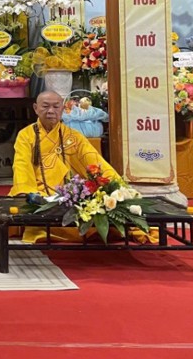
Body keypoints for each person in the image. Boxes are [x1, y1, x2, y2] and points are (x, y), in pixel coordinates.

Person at [9, 90, 126, 244]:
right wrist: (27, 192)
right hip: (39, 194)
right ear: (36, 108)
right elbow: (21, 165)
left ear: (63, 109)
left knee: (93, 213)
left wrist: (118, 186)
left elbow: (94, 160)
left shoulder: (74, 136)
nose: (51, 111)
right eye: (45, 106)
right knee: (25, 211)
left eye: (56, 106)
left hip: (71, 194)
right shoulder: (26, 135)